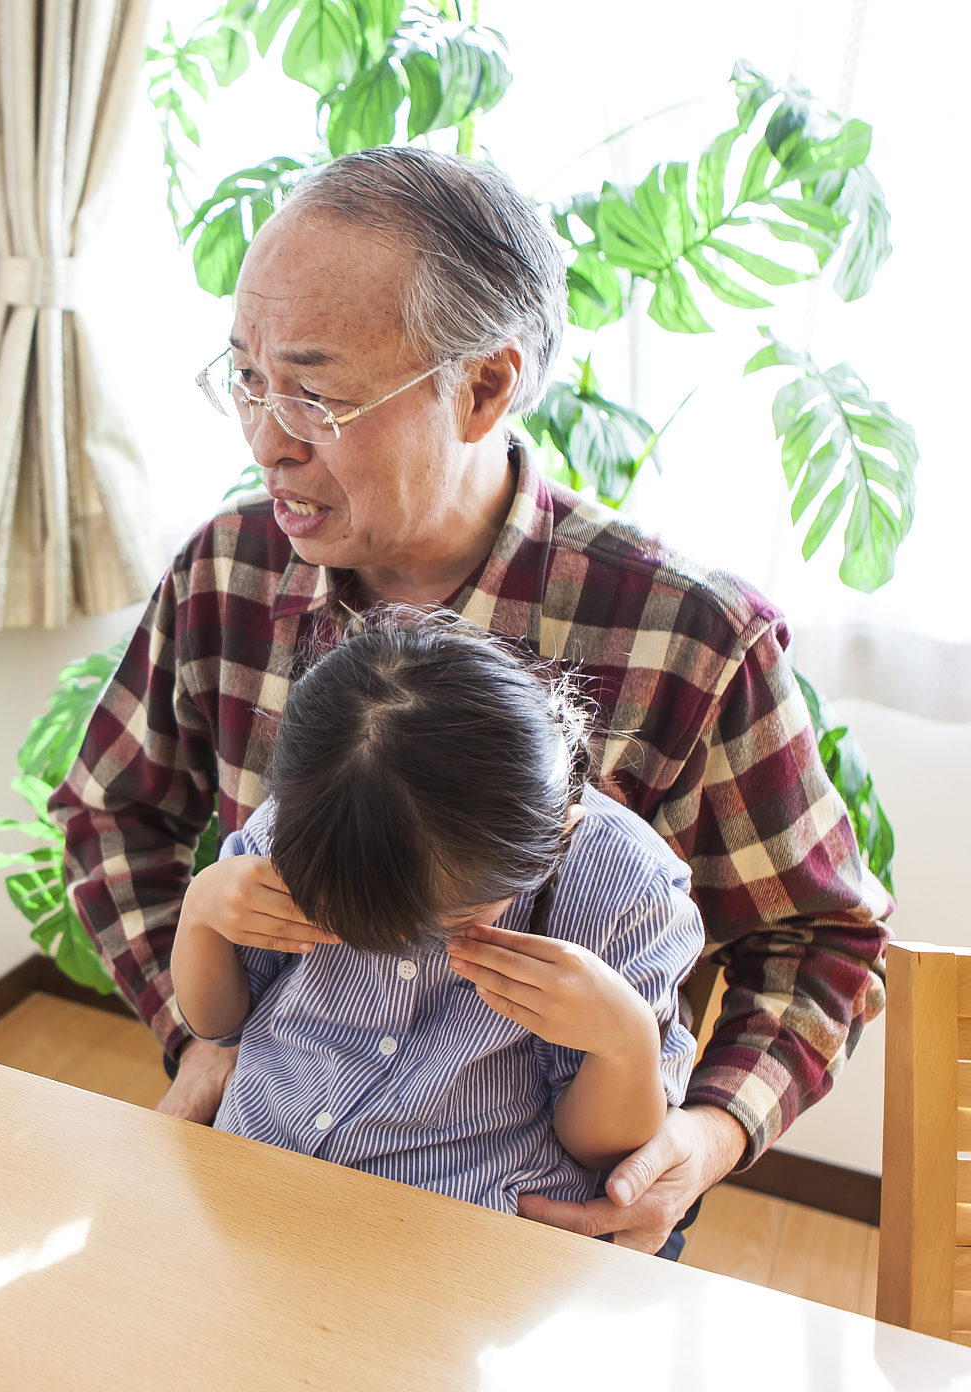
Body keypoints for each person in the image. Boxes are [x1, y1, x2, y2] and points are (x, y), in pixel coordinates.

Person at [52, 146, 891, 1254]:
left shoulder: (686, 635)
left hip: (528, 1229)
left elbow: (820, 939)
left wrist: (698, 1134)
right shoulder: (228, 569)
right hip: (266, 1178)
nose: (264, 439)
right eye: (247, 379)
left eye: (316, 393)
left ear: (484, 386)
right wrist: (203, 1033)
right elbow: (111, 813)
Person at [174, 613, 701, 1231]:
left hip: (459, 1229)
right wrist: (202, 914)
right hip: (256, 1175)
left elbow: (600, 1150)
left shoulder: (626, 893)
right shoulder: (309, 821)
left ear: (556, 835)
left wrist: (626, 1042)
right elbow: (218, 1026)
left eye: (453, 919)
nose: (399, 941)